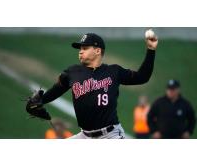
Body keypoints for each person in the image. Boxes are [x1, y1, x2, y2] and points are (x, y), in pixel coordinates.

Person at [26, 31, 158, 139]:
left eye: (85, 48)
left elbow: (142, 77)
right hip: (85, 135)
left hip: (111, 135)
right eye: (80, 49)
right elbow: (55, 91)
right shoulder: (72, 73)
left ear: (97, 51)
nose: (80, 51)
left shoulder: (114, 71)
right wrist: (40, 101)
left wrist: (151, 50)